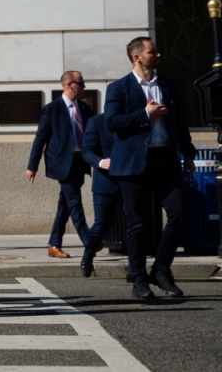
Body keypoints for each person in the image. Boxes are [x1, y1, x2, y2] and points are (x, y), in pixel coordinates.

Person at [104, 37, 195, 299]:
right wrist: (145, 115)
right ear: (137, 57)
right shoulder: (119, 88)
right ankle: (139, 279)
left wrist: (188, 155)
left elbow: (179, 123)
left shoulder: (167, 84)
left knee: (179, 215)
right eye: (152, 51)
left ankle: (161, 270)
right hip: (133, 164)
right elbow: (112, 122)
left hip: (165, 160)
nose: (158, 54)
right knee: (138, 224)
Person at [25, 71, 93, 259]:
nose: (84, 87)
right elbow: (41, 139)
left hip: (81, 161)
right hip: (63, 163)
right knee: (74, 202)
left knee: (65, 205)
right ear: (69, 85)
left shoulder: (85, 109)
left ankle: (54, 244)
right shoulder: (52, 109)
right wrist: (33, 166)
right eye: (81, 83)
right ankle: (89, 241)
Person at [80, 114, 119, 277]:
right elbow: (87, 151)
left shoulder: (135, 120)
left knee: (135, 224)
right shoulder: (96, 121)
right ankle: (88, 255)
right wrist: (100, 162)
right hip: (105, 181)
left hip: (130, 180)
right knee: (101, 224)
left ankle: (135, 268)